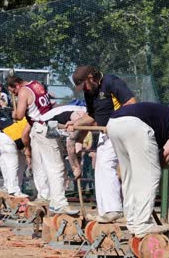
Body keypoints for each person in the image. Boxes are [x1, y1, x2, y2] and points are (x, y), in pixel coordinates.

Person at [67, 65, 136, 223]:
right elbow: (91, 116)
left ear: (91, 78)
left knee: (106, 164)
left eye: (83, 85)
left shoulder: (112, 82)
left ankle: (114, 209)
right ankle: (105, 211)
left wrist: (114, 121)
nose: (83, 89)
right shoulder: (89, 91)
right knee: (100, 166)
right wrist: (76, 123)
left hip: (122, 129)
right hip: (106, 134)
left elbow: (131, 103)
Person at [107, 102, 169, 238]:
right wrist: (157, 166)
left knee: (129, 175)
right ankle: (142, 224)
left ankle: (132, 221)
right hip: (135, 125)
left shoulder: (167, 116)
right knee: (151, 175)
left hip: (113, 123)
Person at [7, 74, 78, 214]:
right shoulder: (37, 84)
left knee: (55, 166)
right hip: (40, 125)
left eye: (13, 91)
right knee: (39, 164)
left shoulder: (23, 91)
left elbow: (20, 115)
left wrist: (14, 114)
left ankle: (58, 202)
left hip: (42, 125)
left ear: (17, 85)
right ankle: (44, 197)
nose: (14, 94)